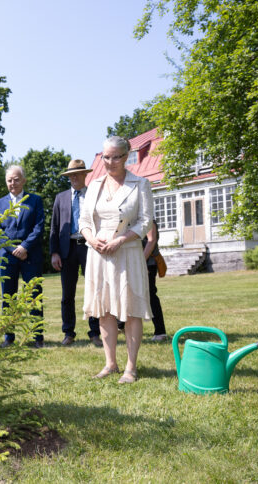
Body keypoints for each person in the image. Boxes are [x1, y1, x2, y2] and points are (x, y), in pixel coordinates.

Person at [80, 136, 153, 384]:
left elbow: (145, 222)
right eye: (106, 157)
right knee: (104, 309)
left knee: (131, 309)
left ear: (127, 156)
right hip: (99, 254)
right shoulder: (94, 185)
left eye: (116, 157)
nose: (110, 162)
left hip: (128, 252)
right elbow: (84, 222)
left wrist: (121, 240)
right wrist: (91, 239)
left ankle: (130, 368)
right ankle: (110, 363)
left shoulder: (140, 184)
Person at [49, 159, 102, 348]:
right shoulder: (60, 198)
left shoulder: (94, 195)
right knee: (67, 294)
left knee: (94, 290)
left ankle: (95, 332)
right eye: (71, 175)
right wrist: (54, 252)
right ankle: (68, 332)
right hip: (67, 249)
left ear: (85, 175)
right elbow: (54, 227)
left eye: (78, 174)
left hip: (89, 246)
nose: (74, 177)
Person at [0, 165, 45, 348]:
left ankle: (37, 337)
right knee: (8, 296)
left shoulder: (35, 200)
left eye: (16, 179)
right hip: (7, 257)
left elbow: (39, 227)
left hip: (30, 255)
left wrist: (24, 247)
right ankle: (9, 336)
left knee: (34, 295)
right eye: (9, 180)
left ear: (23, 180)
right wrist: (13, 248)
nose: (12, 183)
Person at [143, 219, 167, 341]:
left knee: (150, 296)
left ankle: (160, 331)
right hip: (132, 263)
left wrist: (141, 263)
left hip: (148, 263)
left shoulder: (148, 220)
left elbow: (151, 241)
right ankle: (120, 325)